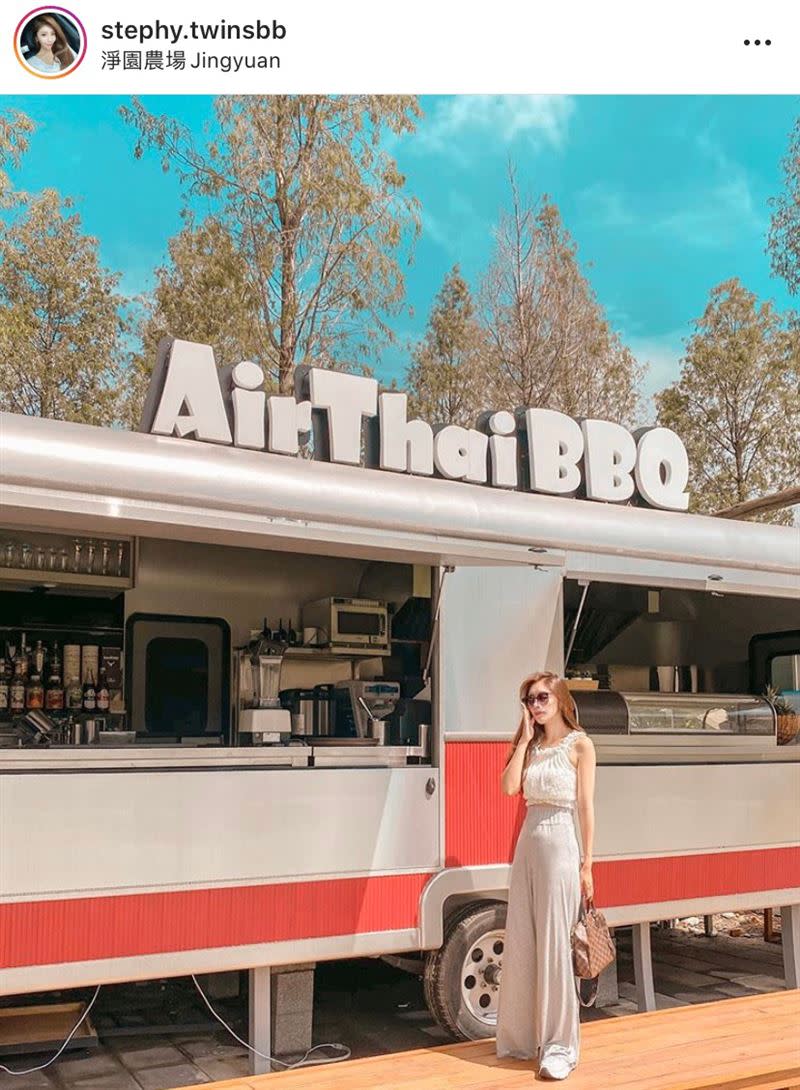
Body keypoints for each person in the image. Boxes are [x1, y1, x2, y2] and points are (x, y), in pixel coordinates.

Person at [495, 671, 597, 1080]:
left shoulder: (580, 745)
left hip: (560, 841)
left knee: (556, 945)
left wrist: (588, 863)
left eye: (541, 698)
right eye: (529, 701)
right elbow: (507, 789)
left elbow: (587, 808)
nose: (535, 706)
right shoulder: (532, 745)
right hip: (528, 841)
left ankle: (560, 1046)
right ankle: (522, 1037)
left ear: (559, 698)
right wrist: (522, 738)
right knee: (521, 937)